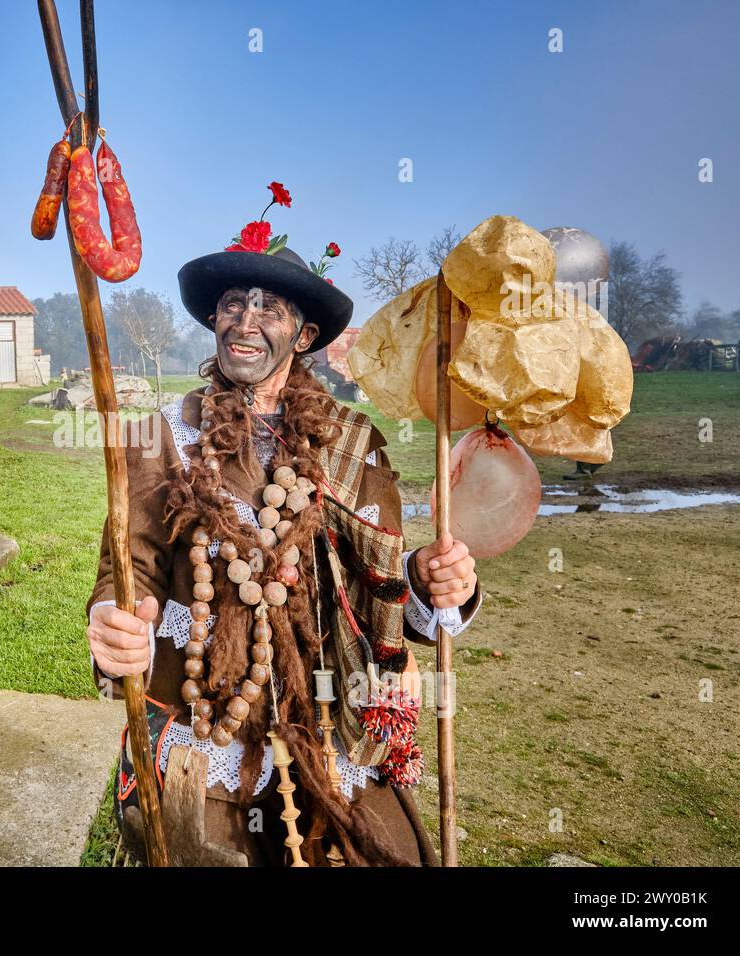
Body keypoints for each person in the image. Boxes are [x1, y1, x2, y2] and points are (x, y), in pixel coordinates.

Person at [86, 210, 482, 866]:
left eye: (270, 307)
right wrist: (114, 617)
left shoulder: (355, 444)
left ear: (305, 335)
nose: (245, 320)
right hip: (204, 723)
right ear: (214, 320)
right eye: (233, 303)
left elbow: (379, 577)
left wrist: (429, 581)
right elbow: (129, 563)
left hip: (331, 721)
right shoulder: (159, 436)